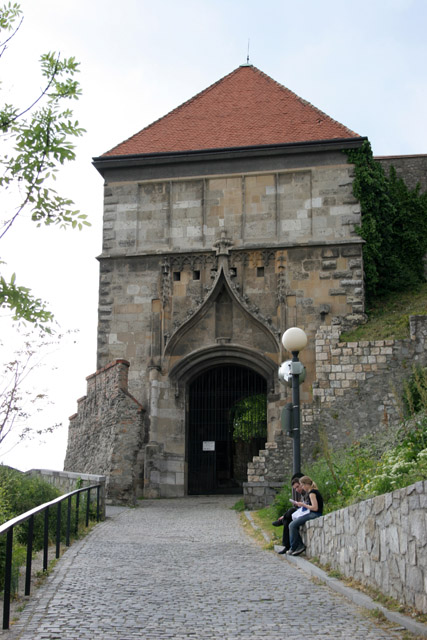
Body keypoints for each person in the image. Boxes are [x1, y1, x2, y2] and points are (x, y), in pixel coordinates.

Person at [288, 475, 323, 556]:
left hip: (315, 514)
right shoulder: (313, 492)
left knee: (292, 525)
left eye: (302, 485)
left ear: (306, 484)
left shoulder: (312, 493)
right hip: (313, 513)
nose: (302, 488)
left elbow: (315, 508)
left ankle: (296, 546)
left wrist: (304, 505)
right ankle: (295, 546)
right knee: (293, 524)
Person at [272, 473, 306, 554]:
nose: (297, 490)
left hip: (305, 512)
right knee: (287, 521)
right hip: (301, 511)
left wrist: (301, 504)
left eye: (297, 487)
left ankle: (282, 519)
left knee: (291, 511)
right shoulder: (302, 494)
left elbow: (309, 506)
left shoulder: (308, 492)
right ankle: (287, 546)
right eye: (295, 488)